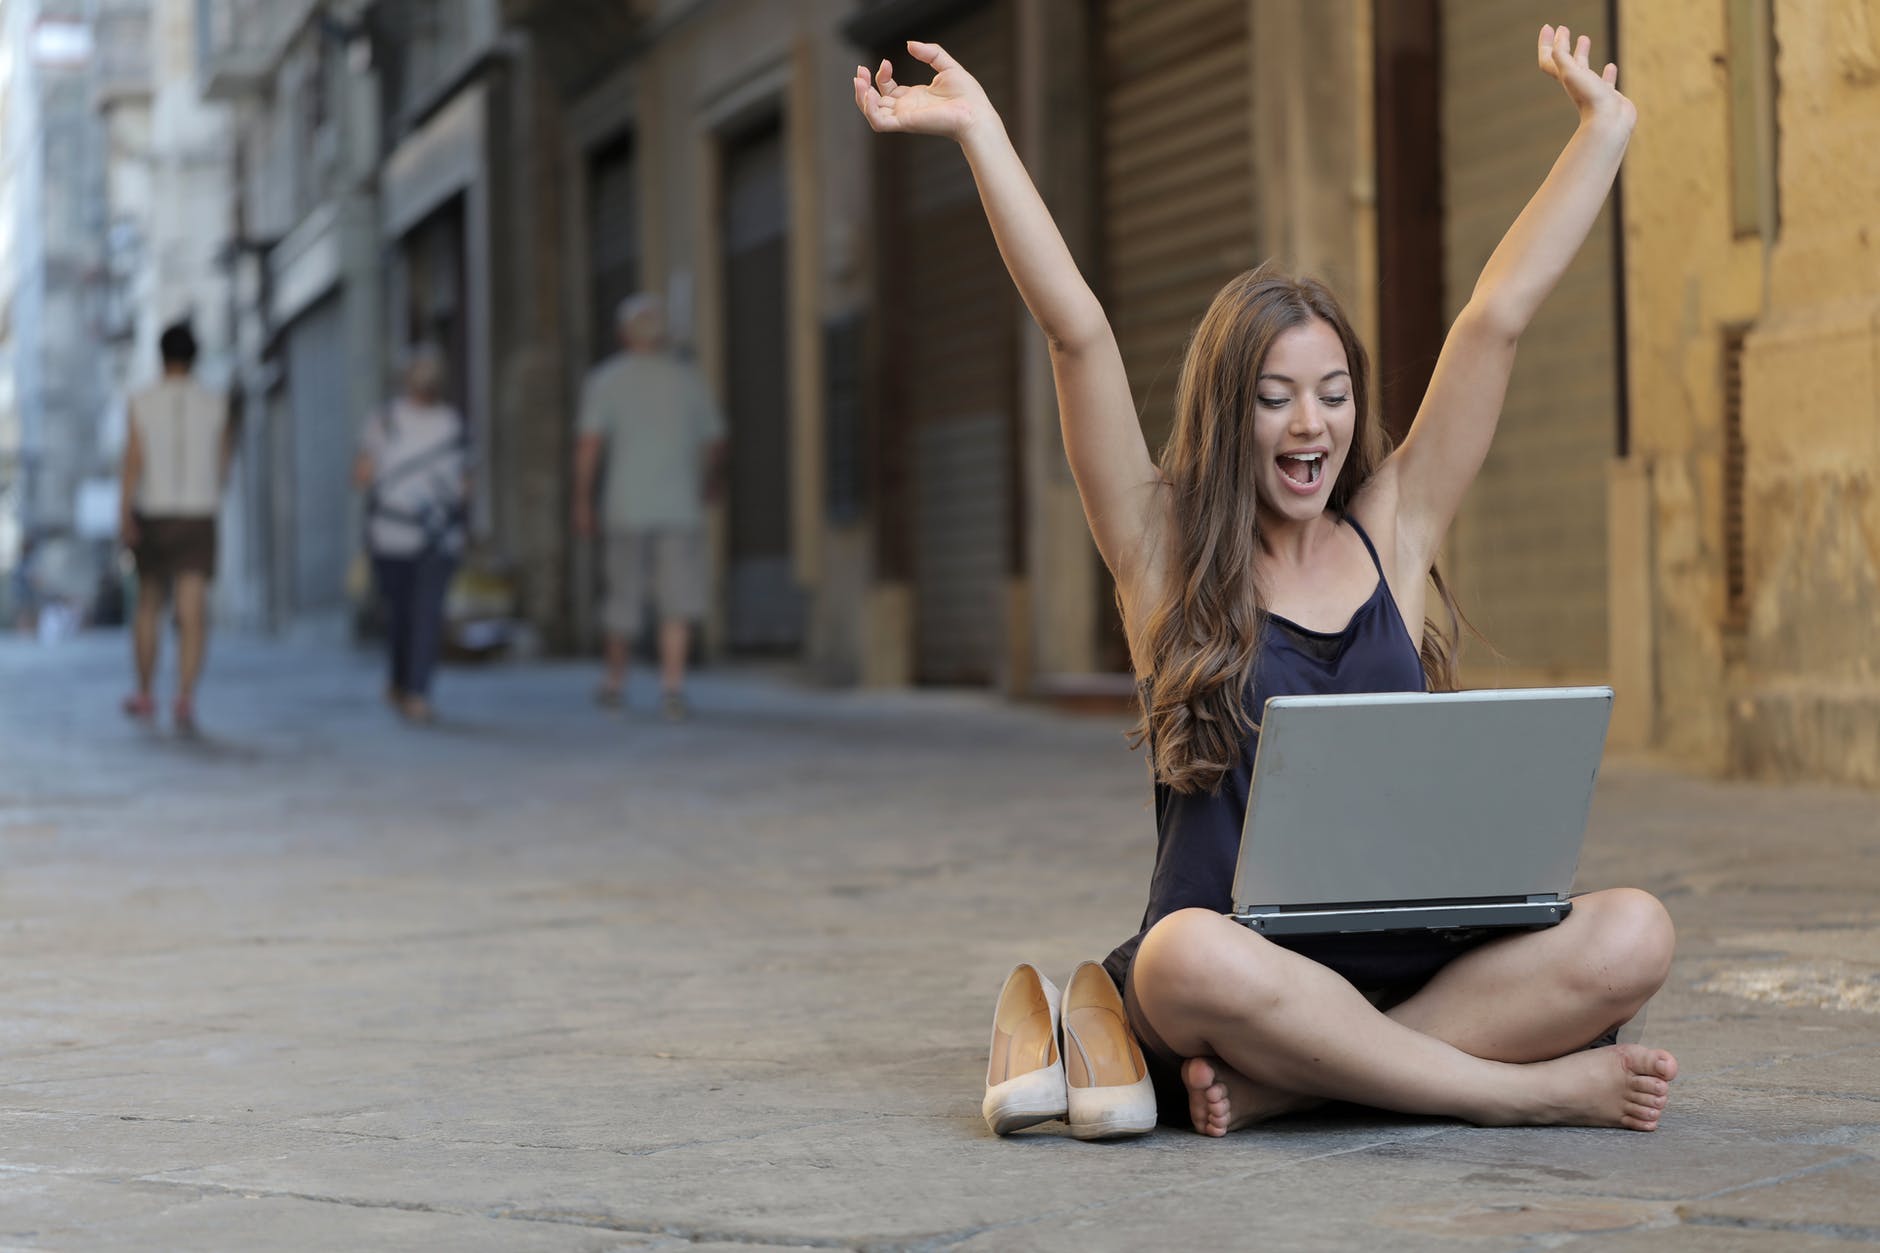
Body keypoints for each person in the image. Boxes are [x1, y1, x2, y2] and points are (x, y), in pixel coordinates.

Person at [855, 25, 1679, 1136]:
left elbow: (1493, 318)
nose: (1311, 425)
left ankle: (1304, 1082)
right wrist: (979, 131)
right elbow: (1076, 333)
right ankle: (1513, 1088)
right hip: (1241, 976)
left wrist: (1602, 132)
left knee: (1635, 929)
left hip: (1412, 965)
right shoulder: (1165, 558)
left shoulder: (1393, 532)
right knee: (1183, 951)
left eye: (1333, 392)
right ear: (1226, 411)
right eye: (1275, 396)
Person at [573, 295, 726, 720]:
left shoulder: (606, 381)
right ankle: (671, 687)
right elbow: (714, 445)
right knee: (677, 599)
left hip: (625, 505)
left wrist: (582, 500)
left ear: (623, 335)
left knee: (622, 594)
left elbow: (589, 446)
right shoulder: (689, 379)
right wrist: (710, 483)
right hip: (679, 505)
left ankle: (615, 683)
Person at [118, 320, 234, 734]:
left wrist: (123, 512)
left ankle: (146, 693)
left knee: (149, 602)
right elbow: (223, 463)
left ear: (161, 354)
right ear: (195, 356)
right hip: (199, 512)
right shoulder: (215, 402)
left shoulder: (142, 400)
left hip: (155, 511)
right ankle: (184, 697)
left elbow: (133, 461)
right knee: (192, 605)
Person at [353, 344, 469, 725]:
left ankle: (405, 686)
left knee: (401, 614)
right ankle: (412, 690)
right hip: (439, 534)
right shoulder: (453, 422)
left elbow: (362, 476)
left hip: (391, 533)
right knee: (425, 615)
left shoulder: (383, 420)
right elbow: (466, 484)